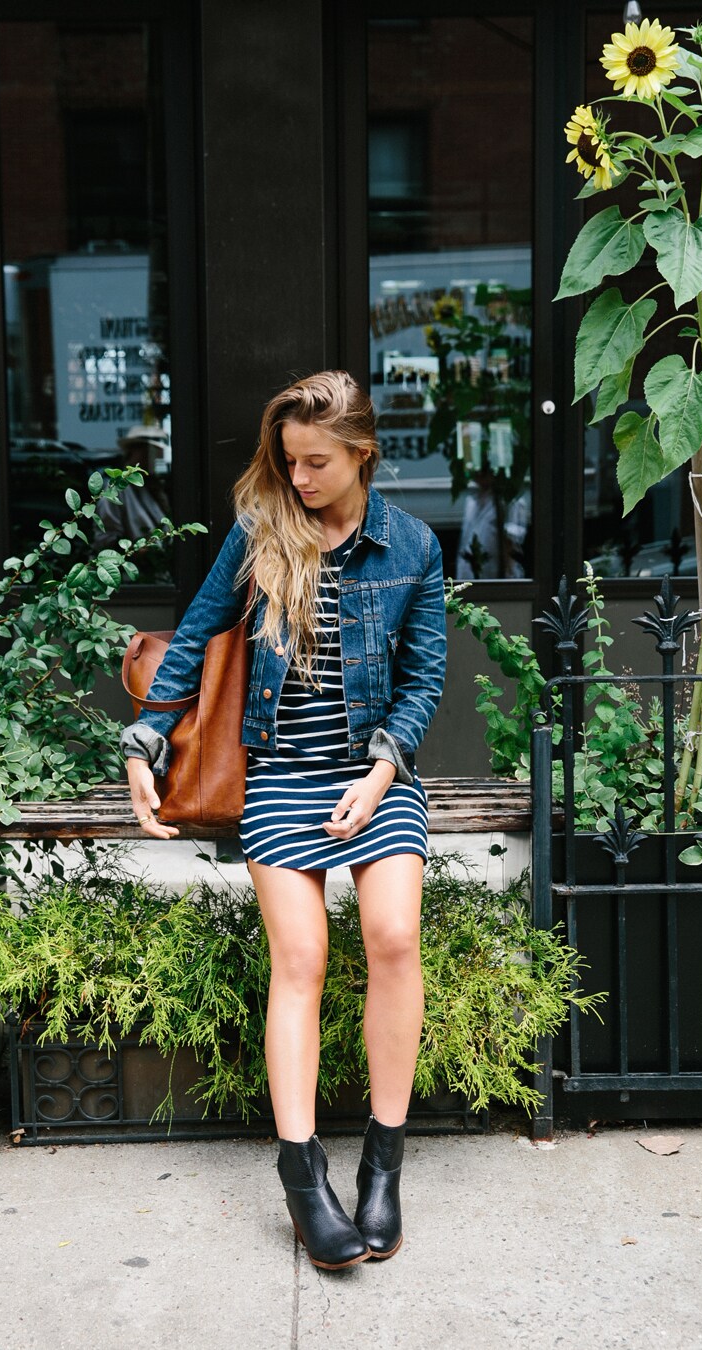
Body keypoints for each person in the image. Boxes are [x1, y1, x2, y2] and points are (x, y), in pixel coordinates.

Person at [121, 371, 446, 1270]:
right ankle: (303, 1176)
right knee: (299, 959)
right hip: (283, 776)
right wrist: (146, 737)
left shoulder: (412, 545)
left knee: (393, 936)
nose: (297, 478)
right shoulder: (264, 534)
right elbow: (192, 639)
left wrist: (384, 771)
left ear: (361, 455)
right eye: (288, 460)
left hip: (371, 775)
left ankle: (384, 1163)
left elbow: (423, 681)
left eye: (315, 462)